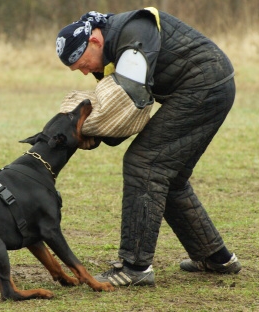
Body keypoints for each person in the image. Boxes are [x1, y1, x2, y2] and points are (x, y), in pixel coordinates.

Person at [55, 8, 241, 287]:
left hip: (204, 86)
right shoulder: (108, 54)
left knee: (145, 164)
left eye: (82, 63)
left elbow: (132, 102)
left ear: (94, 41)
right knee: (170, 177)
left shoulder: (133, 35)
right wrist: (91, 137)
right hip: (206, 86)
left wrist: (84, 132)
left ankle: (135, 267)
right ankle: (216, 257)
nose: (83, 72)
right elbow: (117, 120)